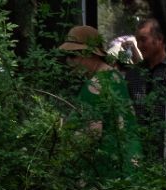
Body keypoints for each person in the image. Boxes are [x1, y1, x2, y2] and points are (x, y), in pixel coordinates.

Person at [57, 25, 141, 176]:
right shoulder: (115, 77)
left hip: (106, 177)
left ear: (89, 53)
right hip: (130, 168)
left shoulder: (94, 86)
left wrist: (62, 137)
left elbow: (90, 136)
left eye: (73, 56)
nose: (68, 62)